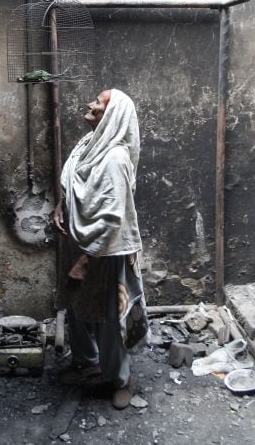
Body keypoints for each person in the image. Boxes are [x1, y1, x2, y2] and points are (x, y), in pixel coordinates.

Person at [54, 89, 149, 409]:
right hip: (79, 245)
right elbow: (70, 180)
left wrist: (84, 262)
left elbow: (112, 217)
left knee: (110, 317)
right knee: (77, 308)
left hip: (103, 253)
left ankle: (120, 380)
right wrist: (60, 205)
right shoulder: (88, 144)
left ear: (111, 115)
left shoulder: (115, 158)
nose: (90, 104)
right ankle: (86, 363)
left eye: (97, 102)